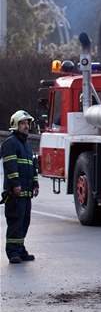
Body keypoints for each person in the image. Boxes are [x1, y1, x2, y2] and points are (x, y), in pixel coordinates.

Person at [2, 110, 39, 264]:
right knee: (15, 222)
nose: (26, 126)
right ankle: (12, 252)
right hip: (15, 193)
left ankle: (20, 248)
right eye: (23, 123)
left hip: (26, 193)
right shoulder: (10, 143)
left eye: (27, 123)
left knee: (24, 222)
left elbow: (32, 166)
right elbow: (10, 166)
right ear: (15, 125)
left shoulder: (26, 144)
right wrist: (15, 185)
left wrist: (35, 183)